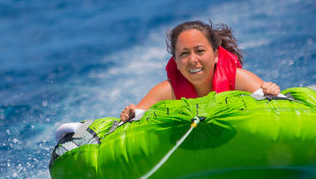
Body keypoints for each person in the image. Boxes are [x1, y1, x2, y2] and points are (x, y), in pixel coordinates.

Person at [120, 20, 280, 122]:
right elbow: (136, 116)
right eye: (184, 53)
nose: (193, 60)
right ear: (175, 61)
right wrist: (129, 113)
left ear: (216, 55)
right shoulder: (167, 92)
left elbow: (277, 104)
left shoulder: (239, 80)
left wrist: (270, 90)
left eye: (200, 51)